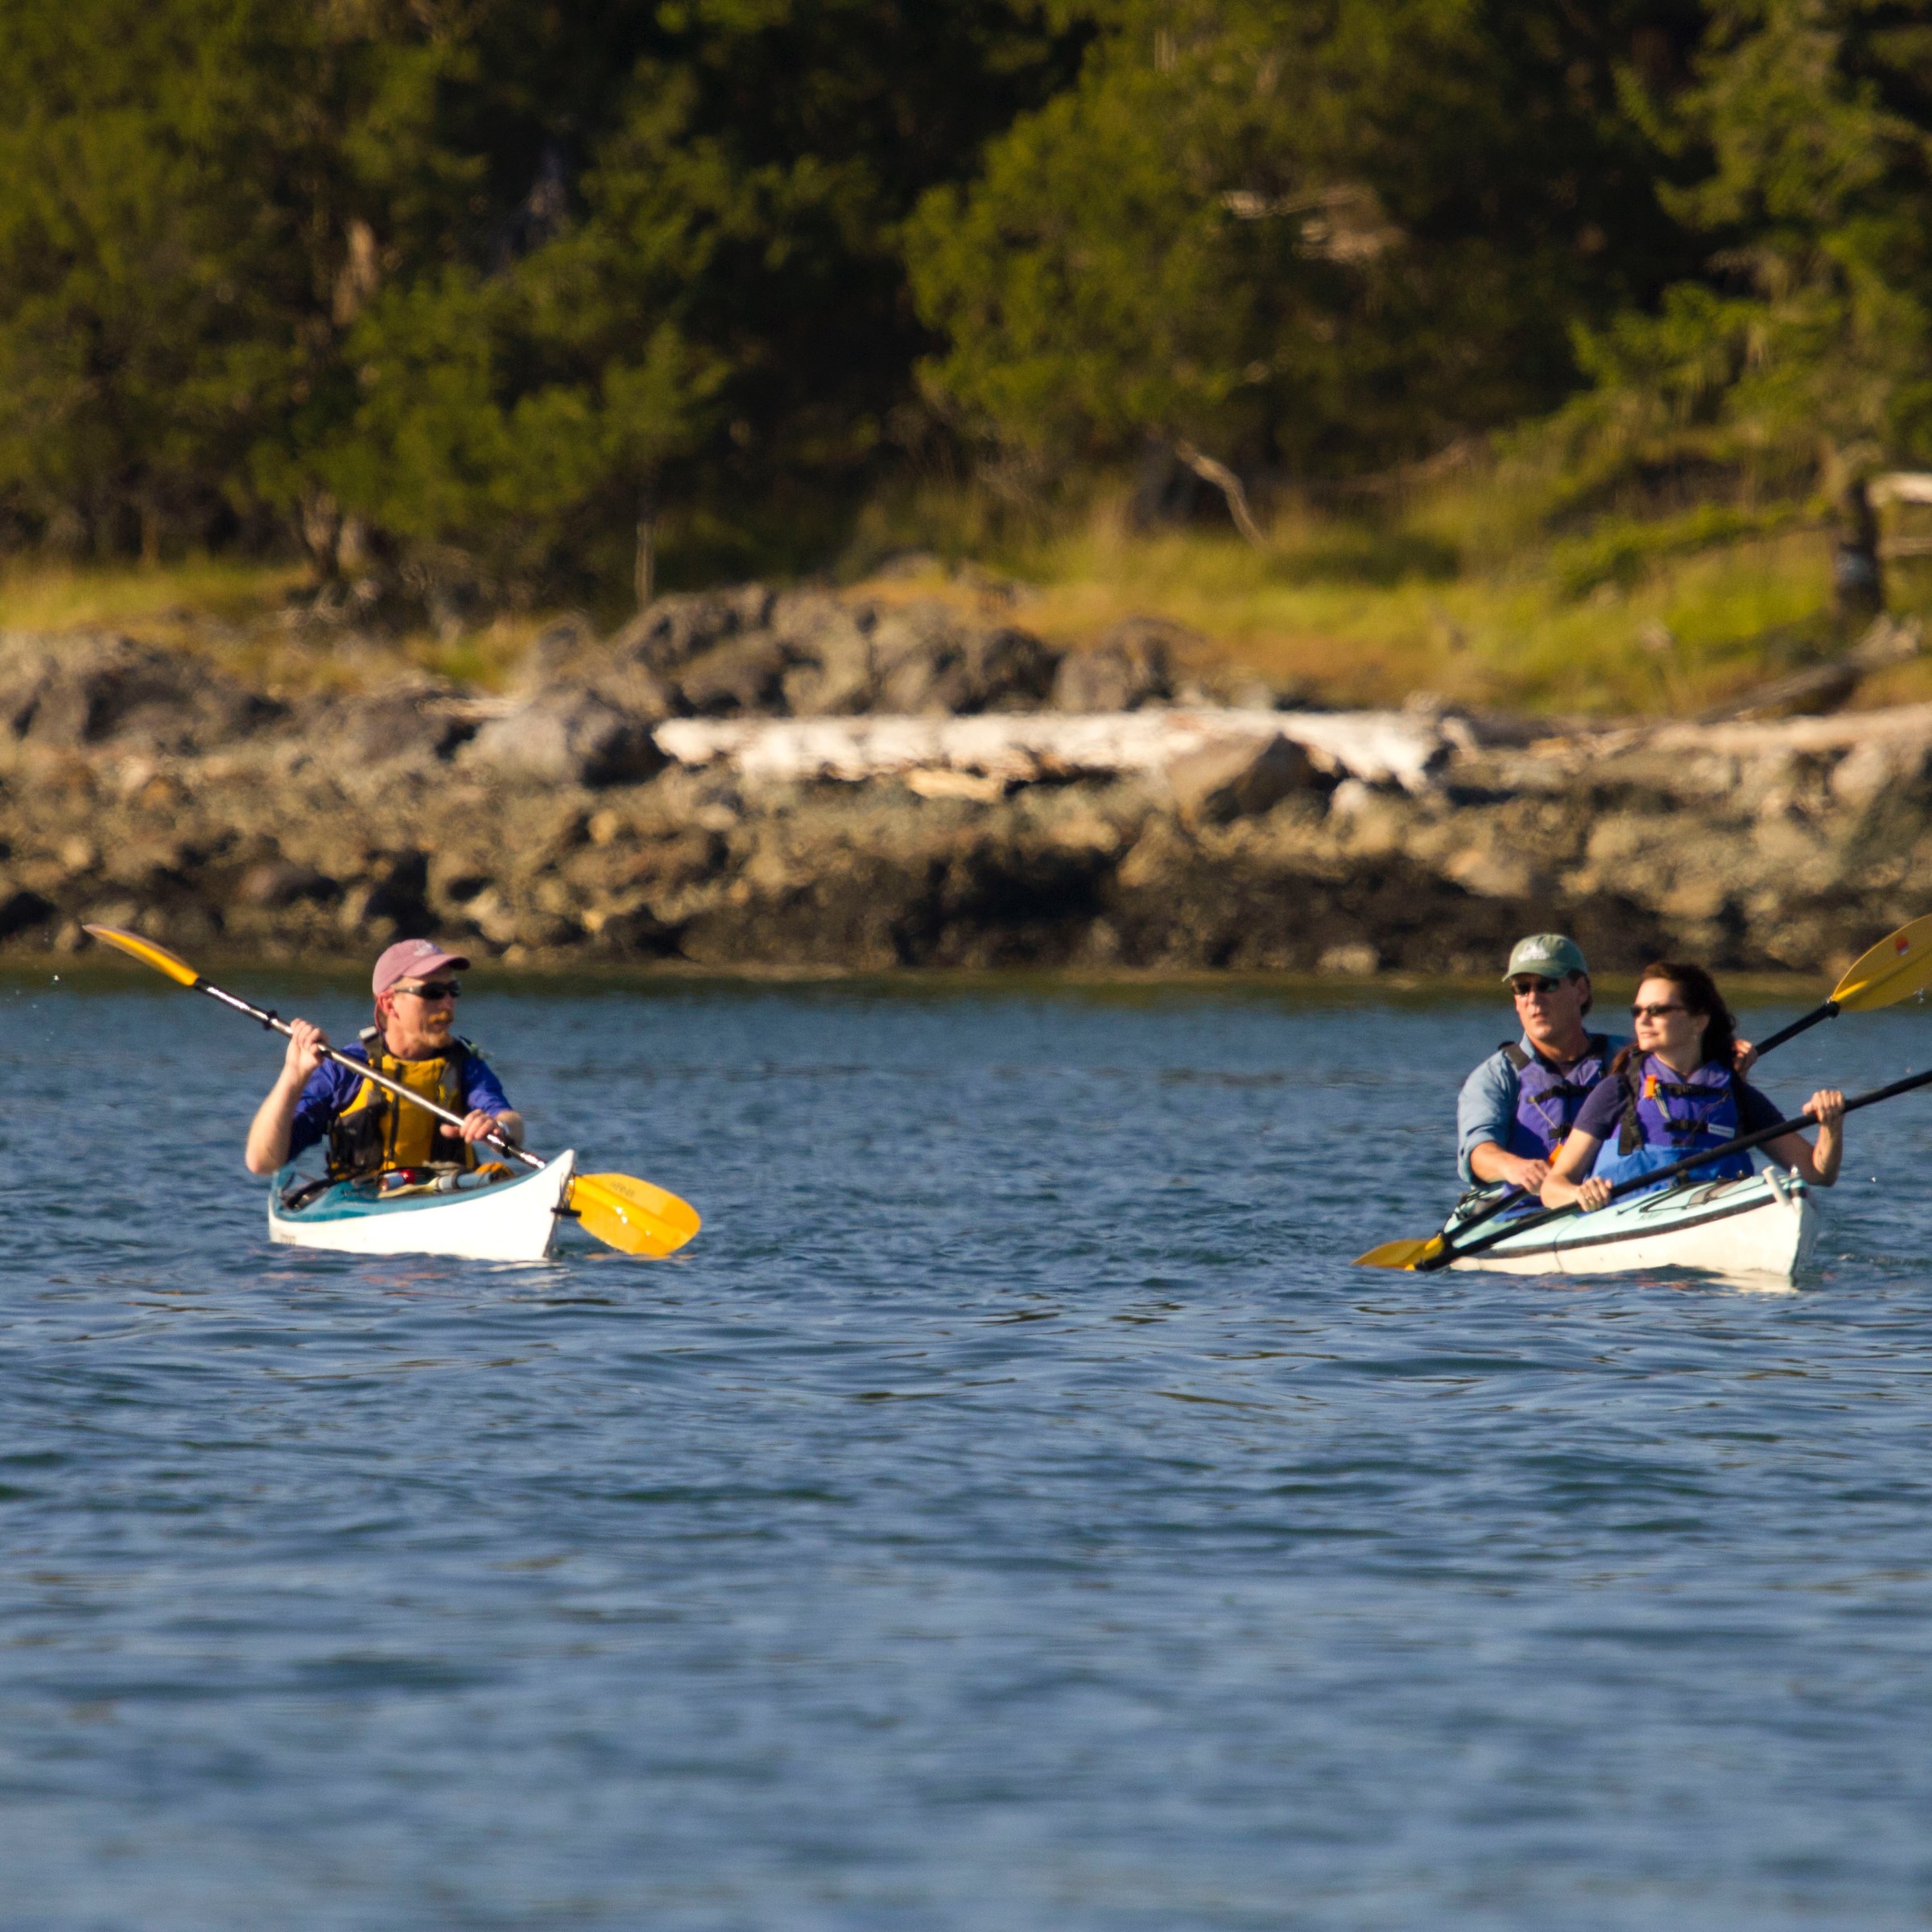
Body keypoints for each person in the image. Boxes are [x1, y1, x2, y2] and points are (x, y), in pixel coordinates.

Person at [1539, 960, 1843, 1212]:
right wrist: (1578, 1194)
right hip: (1627, 1228)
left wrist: (1831, 1125)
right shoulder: (1618, 1090)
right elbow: (1553, 1187)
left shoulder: (1737, 1095)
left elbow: (1817, 1172)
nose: (1643, 1020)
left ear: (1698, 1021)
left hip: (1712, 1221)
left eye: (1656, 1011)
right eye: (1638, 1011)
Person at [243, 938, 523, 1181]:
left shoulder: (465, 1065)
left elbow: (510, 1120)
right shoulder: (345, 1068)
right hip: (363, 1201)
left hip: (446, 1193)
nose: (448, 1002)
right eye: (433, 993)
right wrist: (293, 1076)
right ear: (389, 1004)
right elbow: (262, 1162)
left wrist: (499, 1129)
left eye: (453, 990)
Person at [1456, 935, 1624, 1196]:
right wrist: (1513, 1167)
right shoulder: (1494, 1076)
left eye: (1547, 985)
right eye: (1522, 988)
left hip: (1618, 1201)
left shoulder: (1627, 1059)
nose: (1533, 999)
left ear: (1580, 991)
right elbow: (1478, 1152)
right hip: (1529, 1212)